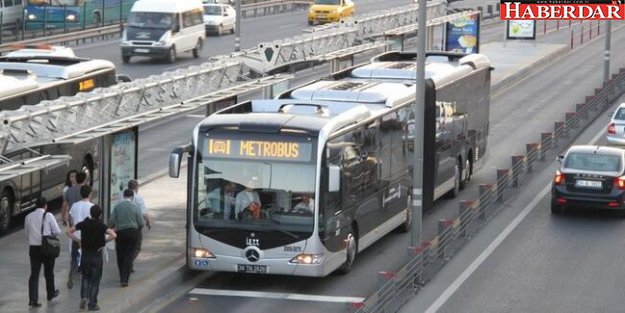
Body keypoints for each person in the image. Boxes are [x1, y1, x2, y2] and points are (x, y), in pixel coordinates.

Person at [67, 205, 116, 311]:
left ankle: (84, 297)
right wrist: (104, 242)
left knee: (85, 278)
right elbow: (113, 235)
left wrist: (78, 240)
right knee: (95, 281)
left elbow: (69, 231)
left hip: (85, 255)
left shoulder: (84, 223)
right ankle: (92, 304)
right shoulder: (101, 225)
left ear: (90, 213)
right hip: (96, 257)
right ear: (100, 215)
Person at [24, 197, 61, 307]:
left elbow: (27, 233)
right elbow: (57, 231)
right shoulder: (49, 216)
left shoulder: (28, 217)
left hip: (34, 248)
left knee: (34, 274)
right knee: (49, 272)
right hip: (47, 247)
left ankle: (33, 299)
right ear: (45, 206)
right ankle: (50, 293)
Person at [108, 189, 144, 287]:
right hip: (133, 233)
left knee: (120, 254)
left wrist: (111, 228)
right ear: (132, 197)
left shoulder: (117, 207)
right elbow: (141, 222)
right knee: (129, 255)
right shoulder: (135, 207)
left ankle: (121, 276)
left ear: (123, 196)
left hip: (120, 233)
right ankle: (125, 279)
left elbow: (111, 221)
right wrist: (137, 229)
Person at [67, 184, 95, 289]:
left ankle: (71, 276)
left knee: (74, 258)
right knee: (87, 259)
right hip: (88, 238)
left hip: (76, 237)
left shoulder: (74, 205)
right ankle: (86, 279)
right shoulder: (92, 207)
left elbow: (71, 219)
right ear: (90, 194)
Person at [127, 179, 152, 272]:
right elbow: (143, 212)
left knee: (126, 246)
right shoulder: (138, 197)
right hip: (135, 226)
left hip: (122, 226)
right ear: (137, 188)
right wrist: (148, 221)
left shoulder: (122, 195)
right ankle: (129, 262)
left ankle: (128, 263)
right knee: (137, 246)